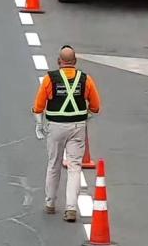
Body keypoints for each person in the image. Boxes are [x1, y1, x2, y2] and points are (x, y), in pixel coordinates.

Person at [32, 45, 101, 223]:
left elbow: (38, 106)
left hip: (55, 127)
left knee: (53, 165)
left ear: (59, 61)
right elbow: (95, 106)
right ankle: (71, 208)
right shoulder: (85, 79)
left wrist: (39, 125)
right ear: (75, 62)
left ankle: (50, 203)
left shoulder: (49, 79)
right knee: (74, 167)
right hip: (77, 127)